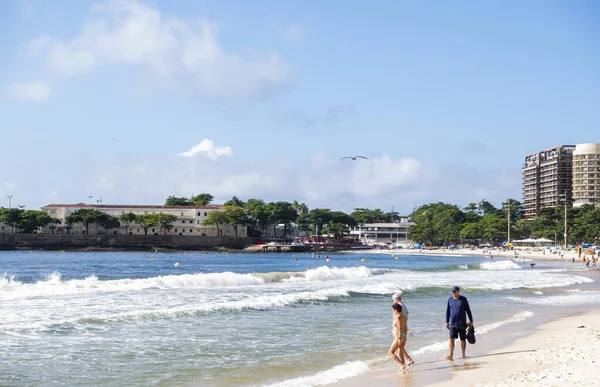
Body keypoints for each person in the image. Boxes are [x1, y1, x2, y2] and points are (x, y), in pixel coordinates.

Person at [445, 286, 474, 361]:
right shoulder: (450, 300)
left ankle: (463, 354)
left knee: (463, 339)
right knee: (451, 339)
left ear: (458, 291)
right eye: (452, 292)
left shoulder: (463, 299)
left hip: (462, 324)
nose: (453, 293)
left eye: (455, 291)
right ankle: (451, 355)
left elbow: (468, 310)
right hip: (452, 324)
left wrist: (471, 321)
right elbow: (448, 311)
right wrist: (447, 322)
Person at [392, 293, 414, 366]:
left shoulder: (398, 306)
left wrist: (396, 329)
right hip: (404, 327)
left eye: (393, 300)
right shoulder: (404, 305)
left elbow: (398, 318)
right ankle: (406, 361)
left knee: (399, 345)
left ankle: (406, 361)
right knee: (400, 346)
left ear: (396, 299)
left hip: (399, 329)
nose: (393, 301)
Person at [389, 303, 407, 373]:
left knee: (391, 352)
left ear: (396, 310)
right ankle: (403, 370)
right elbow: (404, 327)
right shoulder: (403, 317)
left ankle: (401, 365)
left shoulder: (398, 317)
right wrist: (403, 337)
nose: (393, 311)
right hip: (404, 335)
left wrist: (399, 338)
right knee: (401, 353)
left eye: (393, 310)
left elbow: (399, 328)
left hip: (399, 336)